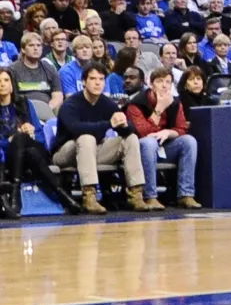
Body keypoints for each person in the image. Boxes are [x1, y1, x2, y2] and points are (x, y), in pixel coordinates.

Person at [53, 63, 153, 214]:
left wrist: (125, 124)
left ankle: (135, 194)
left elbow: (129, 130)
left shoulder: (107, 103)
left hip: (93, 152)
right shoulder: (71, 104)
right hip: (65, 153)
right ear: (84, 82)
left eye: (101, 79)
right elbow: (75, 128)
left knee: (130, 138)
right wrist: (109, 124)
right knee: (86, 138)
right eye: (93, 79)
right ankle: (89, 197)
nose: (97, 83)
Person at [0, 68, 79, 216]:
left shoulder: (25, 104)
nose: (2, 84)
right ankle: (63, 195)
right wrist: (8, 140)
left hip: (35, 147)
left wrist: (31, 134)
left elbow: (41, 138)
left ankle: (15, 195)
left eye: (6, 80)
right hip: (10, 156)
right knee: (25, 146)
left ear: (12, 85)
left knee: (23, 140)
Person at [126, 66, 200, 209]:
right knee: (149, 143)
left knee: (189, 141)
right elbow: (143, 132)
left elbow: (182, 128)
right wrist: (159, 110)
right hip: (140, 150)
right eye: (160, 81)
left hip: (165, 146)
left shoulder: (175, 103)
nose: (164, 85)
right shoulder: (136, 104)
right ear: (151, 84)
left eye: (168, 82)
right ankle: (150, 196)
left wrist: (168, 132)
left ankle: (186, 195)